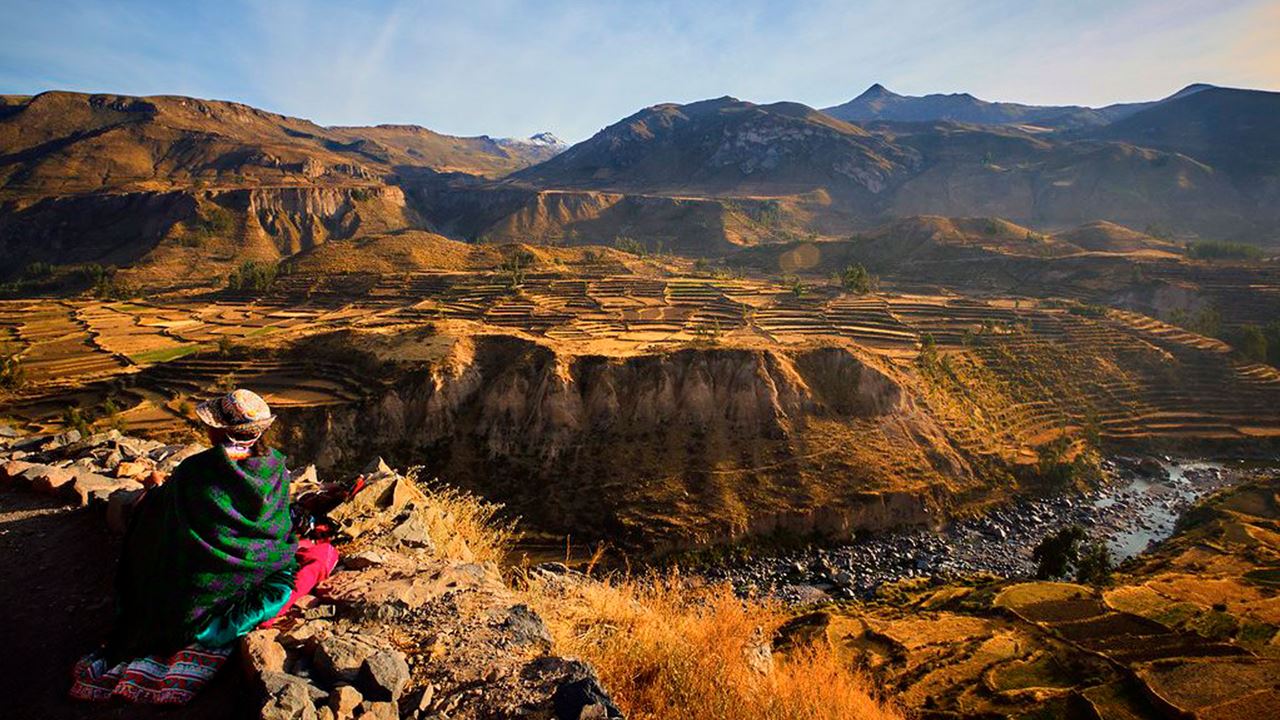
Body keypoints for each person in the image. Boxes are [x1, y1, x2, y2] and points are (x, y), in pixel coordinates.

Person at [70, 389, 338, 705]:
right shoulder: (274, 466)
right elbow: (275, 526)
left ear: (219, 429)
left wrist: (152, 493)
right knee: (320, 555)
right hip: (258, 567)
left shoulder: (196, 470)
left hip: (201, 584)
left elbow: (161, 518)